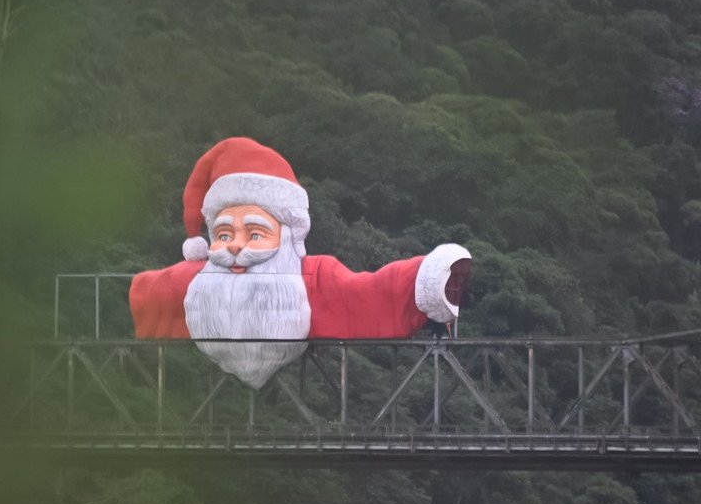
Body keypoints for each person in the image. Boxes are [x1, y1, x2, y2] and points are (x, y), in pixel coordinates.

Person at [129, 137, 471, 388]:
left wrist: (426, 281)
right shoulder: (200, 281)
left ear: (289, 236)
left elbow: (365, 294)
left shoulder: (309, 280)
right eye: (223, 234)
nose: (235, 247)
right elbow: (153, 291)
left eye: (255, 234)